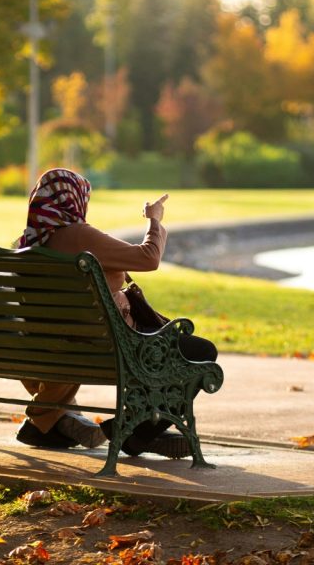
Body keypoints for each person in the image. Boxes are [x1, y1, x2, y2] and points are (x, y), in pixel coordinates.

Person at [14, 168, 218, 458]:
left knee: (178, 347)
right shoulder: (78, 236)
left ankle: (143, 426)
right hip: (111, 347)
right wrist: (154, 220)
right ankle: (139, 432)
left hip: (56, 350)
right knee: (200, 351)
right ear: (73, 200)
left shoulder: (26, 245)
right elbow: (148, 258)